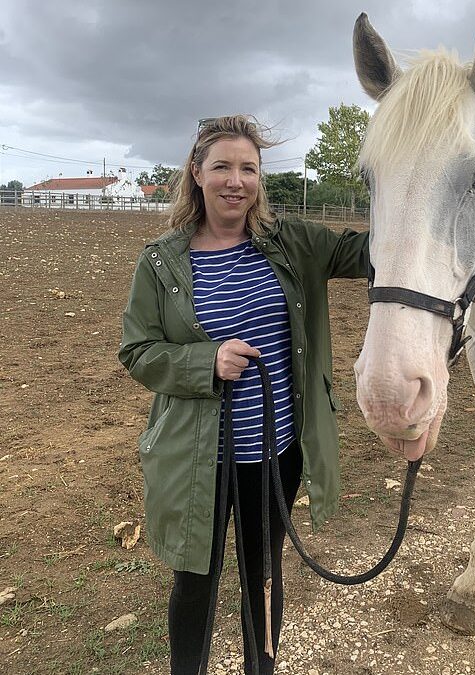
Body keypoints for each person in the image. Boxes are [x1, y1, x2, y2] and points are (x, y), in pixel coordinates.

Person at [118, 114, 369, 675]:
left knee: (263, 572)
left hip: (275, 454)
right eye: (222, 167)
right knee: (195, 580)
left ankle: (263, 667)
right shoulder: (161, 263)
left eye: (248, 168)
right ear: (197, 174)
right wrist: (206, 361)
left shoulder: (293, 243)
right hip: (196, 458)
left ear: (260, 178)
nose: (236, 180)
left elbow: (367, 253)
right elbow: (137, 351)